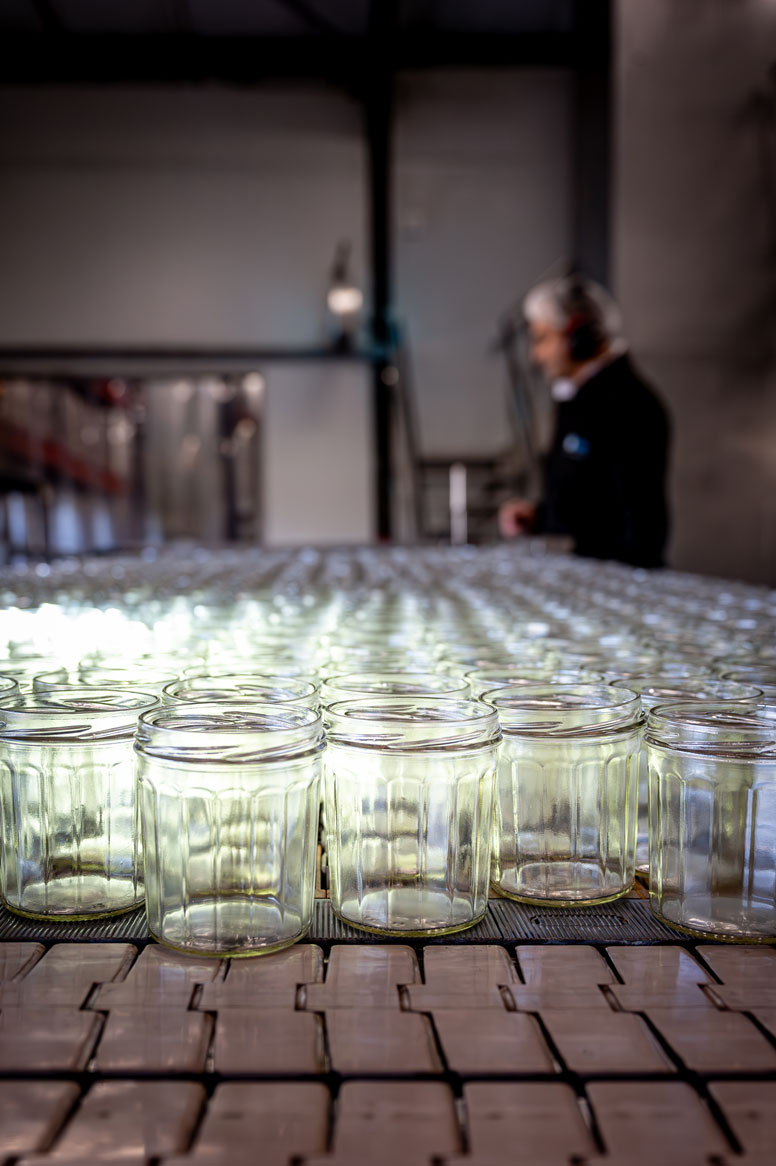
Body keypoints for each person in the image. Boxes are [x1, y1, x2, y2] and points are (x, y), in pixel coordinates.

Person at [499, 274, 670, 567]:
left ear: (580, 337)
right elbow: (592, 500)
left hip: (616, 583)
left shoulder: (627, 404)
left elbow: (639, 525)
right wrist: (540, 516)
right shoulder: (580, 398)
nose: (535, 356)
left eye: (542, 339)